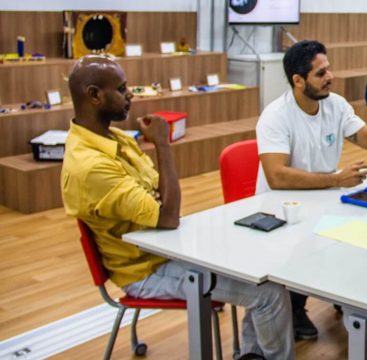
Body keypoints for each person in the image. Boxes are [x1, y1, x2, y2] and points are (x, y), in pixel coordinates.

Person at [61, 56, 294, 359]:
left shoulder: (114, 138)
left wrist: (162, 203)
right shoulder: (90, 165)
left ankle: (253, 354)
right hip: (147, 270)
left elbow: (162, 197)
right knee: (269, 294)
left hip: (166, 247)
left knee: (260, 266)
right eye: (121, 89)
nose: (130, 94)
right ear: (94, 96)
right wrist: (163, 144)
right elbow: (168, 214)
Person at [256, 40, 367, 340]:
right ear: (298, 81)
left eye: (329, 69)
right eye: (320, 73)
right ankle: (295, 306)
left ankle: (347, 293)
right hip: (283, 207)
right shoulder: (275, 116)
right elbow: (277, 177)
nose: (330, 76)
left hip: (322, 197)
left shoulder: (335, 105)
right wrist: (336, 179)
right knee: (308, 246)